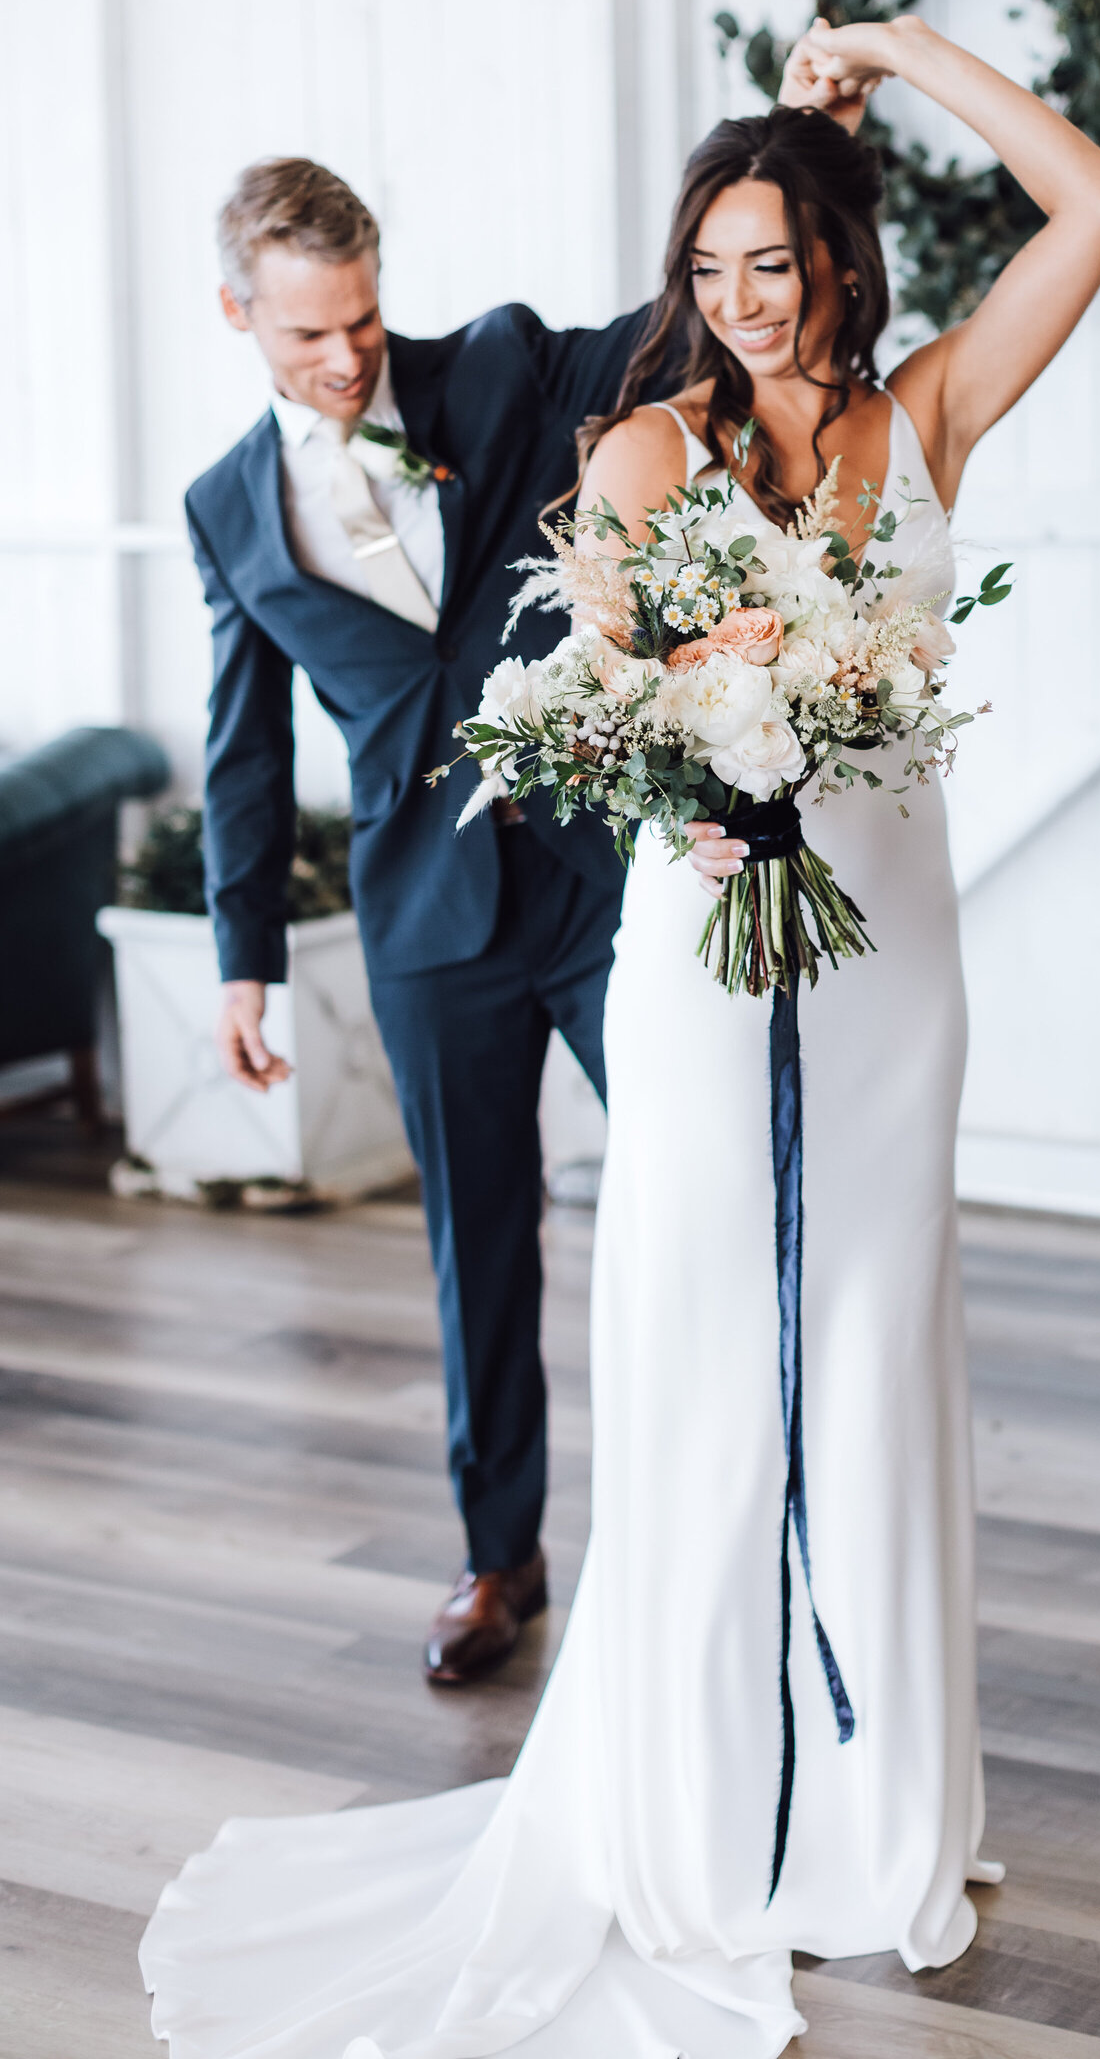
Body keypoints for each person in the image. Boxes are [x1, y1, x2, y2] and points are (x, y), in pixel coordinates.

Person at [141, 16, 1100, 2056]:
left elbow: (1096, 202)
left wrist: (888, 52)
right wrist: (684, 731)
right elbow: (590, 688)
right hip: (688, 963)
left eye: (770, 264)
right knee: (686, 1343)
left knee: (871, 1354)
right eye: (707, 269)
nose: (736, 303)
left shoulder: (926, 417)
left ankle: (870, 1808)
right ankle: (685, 1792)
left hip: (891, 972)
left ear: (844, 262)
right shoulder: (643, 448)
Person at [185, 82, 813, 1685]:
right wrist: (242, 956)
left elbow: (688, 318)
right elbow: (244, 747)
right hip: (423, 917)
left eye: (365, 321)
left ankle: (743, 1520)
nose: (346, 361)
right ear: (239, 317)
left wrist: (787, 132)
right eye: (309, 337)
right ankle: (497, 1560)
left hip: (606, 884)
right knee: (481, 1243)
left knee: (703, 1193)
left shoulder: (509, 366)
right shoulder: (224, 513)